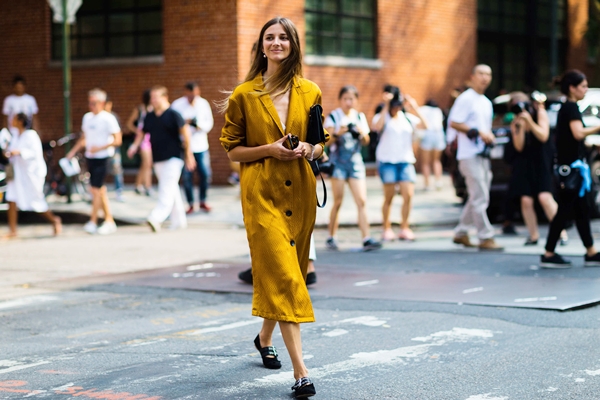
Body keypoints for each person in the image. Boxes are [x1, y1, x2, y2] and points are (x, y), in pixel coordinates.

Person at [219, 17, 326, 398]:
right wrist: (269, 149)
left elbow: (320, 142)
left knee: (284, 275)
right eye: (270, 37)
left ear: (293, 45)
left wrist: (307, 149)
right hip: (261, 196)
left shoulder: (310, 90)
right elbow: (232, 149)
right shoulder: (244, 95)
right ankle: (301, 373)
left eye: (284, 37)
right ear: (261, 46)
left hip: (299, 195)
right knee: (285, 278)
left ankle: (264, 338)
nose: (277, 42)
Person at [541, 70, 600, 268]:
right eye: (583, 86)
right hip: (571, 170)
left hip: (574, 169)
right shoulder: (571, 107)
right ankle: (549, 253)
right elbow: (578, 133)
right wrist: (597, 127)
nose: (585, 90)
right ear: (572, 88)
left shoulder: (568, 107)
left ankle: (590, 251)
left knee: (582, 210)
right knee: (564, 211)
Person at [448, 64, 503, 251]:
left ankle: (461, 233)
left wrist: (488, 135)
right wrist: (478, 132)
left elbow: (484, 128)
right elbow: (454, 122)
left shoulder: (486, 102)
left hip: (483, 154)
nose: (485, 78)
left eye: (488, 74)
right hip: (468, 154)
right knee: (480, 196)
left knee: (478, 196)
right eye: (481, 74)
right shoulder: (466, 99)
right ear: (472, 76)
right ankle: (485, 237)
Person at [127, 86, 195, 233]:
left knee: (166, 189)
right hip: (158, 159)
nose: (152, 100)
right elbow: (141, 133)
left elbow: (185, 132)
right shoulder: (150, 116)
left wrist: (189, 154)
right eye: (151, 97)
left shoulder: (173, 114)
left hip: (174, 158)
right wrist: (133, 147)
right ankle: (179, 222)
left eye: (155, 97)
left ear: (164, 97)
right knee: (172, 189)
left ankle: (155, 217)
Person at [324, 85, 381, 251]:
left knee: (361, 201)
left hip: (355, 162)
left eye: (352, 99)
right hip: (338, 162)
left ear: (356, 100)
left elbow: (366, 142)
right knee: (338, 201)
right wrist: (338, 133)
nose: (349, 102)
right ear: (340, 100)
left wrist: (362, 133)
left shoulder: (360, 117)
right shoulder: (334, 117)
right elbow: (326, 142)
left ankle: (366, 237)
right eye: (345, 99)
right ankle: (331, 236)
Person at [371, 90, 428, 241]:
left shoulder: (407, 118)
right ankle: (387, 228)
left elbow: (425, 125)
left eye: (398, 105)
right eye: (394, 105)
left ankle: (404, 227)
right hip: (387, 161)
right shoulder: (383, 116)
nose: (396, 108)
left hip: (405, 161)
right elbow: (377, 127)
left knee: (408, 195)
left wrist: (414, 105)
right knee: (388, 197)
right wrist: (386, 105)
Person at [508, 92, 562, 246]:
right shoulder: (516, 121)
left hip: (542, 161)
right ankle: (533, 235)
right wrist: (519, 127)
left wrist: (529, 121)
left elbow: (543, 135)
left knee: (545, 197)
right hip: (525, 163)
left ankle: (561, 231)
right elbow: (519, 146)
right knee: (526, 200)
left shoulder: (540, 113)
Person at [66, 88, 121, 235]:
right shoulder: (87, 118)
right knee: (100, 190)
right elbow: (84, 138)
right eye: (89, 103)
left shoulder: (108, 118)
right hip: (90, 157)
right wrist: (72, 152)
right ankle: (109, 220)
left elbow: (118, 140)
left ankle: (93, 221)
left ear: (102, 103)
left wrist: (100, 147)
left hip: (103, 157)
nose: (91, 106)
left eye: (94, 103)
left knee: (95, 190)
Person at [3, 113, 61, 238]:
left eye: (14, 119)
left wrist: (19, 152)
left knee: (36, 201)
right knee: (11, 198)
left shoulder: (31, 135)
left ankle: (54, 220)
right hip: (17, 173)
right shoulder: (14, 135)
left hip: (30, 174)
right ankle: (13, 230)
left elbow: (34, 152)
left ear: (20, 121)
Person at [171, 82, 214, 213]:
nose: (192, 98)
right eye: (190, 95)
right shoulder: (177, 105)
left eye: (195, 95)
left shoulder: (203, 104)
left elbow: (209, 123)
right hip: (184, 146)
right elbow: (174, 125)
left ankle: (203, 200)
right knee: (186, 176)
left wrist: (197, 124)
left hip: (200, 145)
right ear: (185, 92)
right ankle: (190, 203)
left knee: (205, 173)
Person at [125, 89, 153, 196]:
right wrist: (138, 131)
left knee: (145, 164)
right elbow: (129, 123)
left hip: (151, 137)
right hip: (142, 138)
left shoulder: (153, 109)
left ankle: (138, 185)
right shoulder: (140, 109)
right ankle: (148, 186)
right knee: (148, 162)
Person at [418, 100, 446, 190]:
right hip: (439, 134)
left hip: (428, 134)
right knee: (436, 160)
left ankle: (427, 184)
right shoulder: (438, 110)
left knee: (425, 162)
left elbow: (421, 123)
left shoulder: (423, 109)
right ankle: (438, 182)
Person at [105, 97, 125, 202]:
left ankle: (119, 190)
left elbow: (119, 132)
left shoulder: (113, 116)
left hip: (113, 147)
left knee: (117, 169)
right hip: (101, 149)